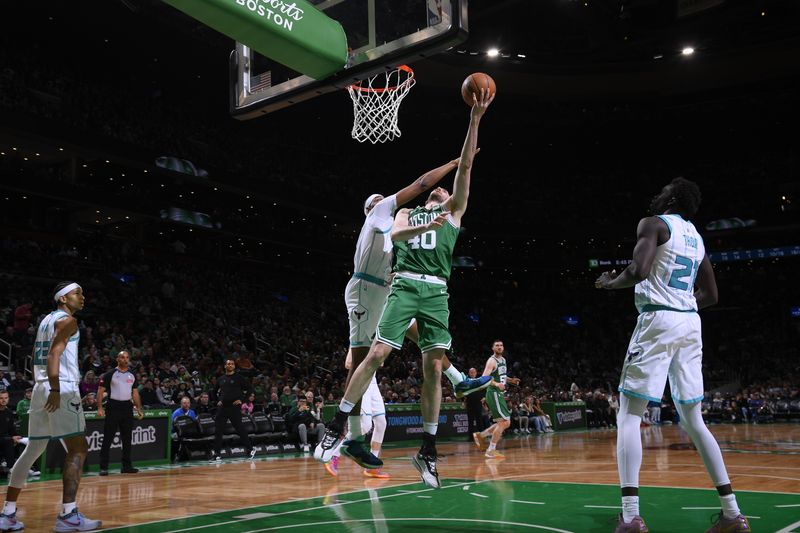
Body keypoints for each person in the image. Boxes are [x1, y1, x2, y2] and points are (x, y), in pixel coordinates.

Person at [315, 88, 494, 489]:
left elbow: (465, 170)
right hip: (394, 286)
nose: (440, 191)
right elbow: (397, 233)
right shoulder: (401, 213)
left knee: (429, 362)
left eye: (444, 191)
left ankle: (428, 444)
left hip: (428, 292)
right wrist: (421, 224)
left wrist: (475, 119)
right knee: (372, 353)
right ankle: (341, 427)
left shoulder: (452, 213)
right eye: (382, 199)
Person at [595, 178, 750, 533]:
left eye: (663, 190)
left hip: (659, 319)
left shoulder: (653, 224)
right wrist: (682, 307)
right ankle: (732, 514)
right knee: (694, 420)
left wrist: (608, 284)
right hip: (690, 323)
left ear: (673, 198)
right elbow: (711, 294)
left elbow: (639, 271)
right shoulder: (696, 238)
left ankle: (631, 517)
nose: (657, 192)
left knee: (629, 415)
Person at [0, 282, 101, 532]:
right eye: (78, 293)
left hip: (40, 386)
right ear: (63, 298)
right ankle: (68, 515)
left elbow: (36, 353)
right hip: (61, 387)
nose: (83, 297)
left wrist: (43, 385)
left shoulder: (46, 321)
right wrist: (56, 389)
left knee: (33, 448)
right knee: (78, 449)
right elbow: (54, 354)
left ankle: (8, 513)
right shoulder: (68, 321)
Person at [97, 350, 144, 476]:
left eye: (127, 357)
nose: (125, 359)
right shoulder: (110, 374)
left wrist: (139, 408)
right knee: (108, 438)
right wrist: (100, 407)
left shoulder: (132, 375)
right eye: (123, 357)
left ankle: (127, 466)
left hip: (127, 407)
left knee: (127, 438)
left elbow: (135, 393)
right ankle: (103, 467)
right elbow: (100, 391)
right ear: (117, 359)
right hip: (113, 407)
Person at [473, 340, 521, 458]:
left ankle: (481, 435)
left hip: (498, 393)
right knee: (504, 422)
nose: (499, 347)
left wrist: (510, 380)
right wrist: (496, 384)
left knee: (505, 422)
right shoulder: (491, 361)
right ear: (492, 348)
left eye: (501, 345)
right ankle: (490, 450)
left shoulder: (503, 360)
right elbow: (484, 378)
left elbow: (502, 376)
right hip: (493, 392)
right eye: (497, 345)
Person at [211, 359, 255, 462]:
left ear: (234, 366)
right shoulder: (221, 379)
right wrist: (217, 401)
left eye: (232, 364)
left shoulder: (239, 378)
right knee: (218, 431)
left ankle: (250, 449)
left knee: (240, 429)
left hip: (234, 407)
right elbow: (213, 392)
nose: (230, 365)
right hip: (222, 408)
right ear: (225, 366)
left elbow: (250, 389)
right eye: (228, 364)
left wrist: (242, 400)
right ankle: (217, 454)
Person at [464, 368, 485, 440]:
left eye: (473, 372)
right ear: (469, 373)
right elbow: (463, 392)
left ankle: (481, 437)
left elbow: (484, 390)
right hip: (469, 404)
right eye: (471, 372)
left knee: (479, 421)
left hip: (478, 403)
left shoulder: (479, 381)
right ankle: (471, 438)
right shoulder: (466, 381)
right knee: (470, 421)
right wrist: (464, 400)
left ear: (476, 373)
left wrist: (484, 397)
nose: (472, 373)